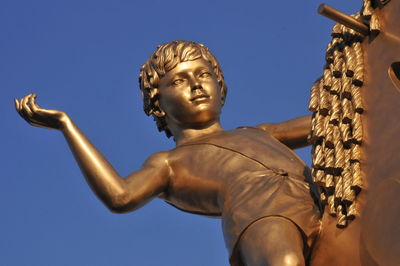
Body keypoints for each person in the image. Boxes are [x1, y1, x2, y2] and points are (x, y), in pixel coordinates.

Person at [15, 40, 321, 266]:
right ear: (157, 102)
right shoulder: (167, 164)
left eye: (203, 75)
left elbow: (330, 118)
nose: (196, 86)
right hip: (263, 215)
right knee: (284, 262)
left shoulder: (259, 132)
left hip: (316, 200)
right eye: (179, 80)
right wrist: (66, 126)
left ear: (221, 86)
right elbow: (120, 196)